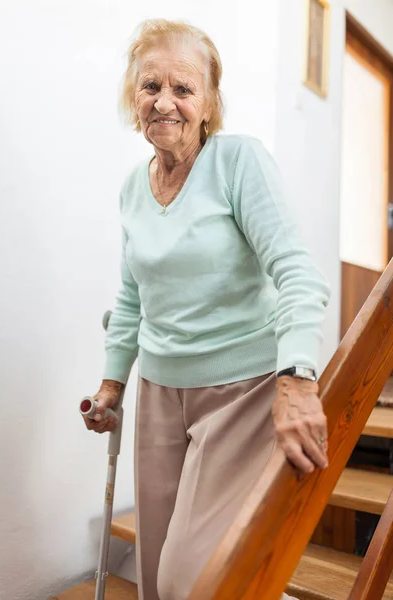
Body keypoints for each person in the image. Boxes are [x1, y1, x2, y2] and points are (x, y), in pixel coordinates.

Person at [82, 19, 330, 600]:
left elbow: (298, 271)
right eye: (150, 87)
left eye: (183, 88)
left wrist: (297, 379)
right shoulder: (132, 188)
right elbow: (131, 295)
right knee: (152, 574)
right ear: (133, 97)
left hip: (240, 392)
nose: (164, 101)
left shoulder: (238, 162)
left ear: (211, 101)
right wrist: (113, 383)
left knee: (191, 578)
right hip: (161, 391)